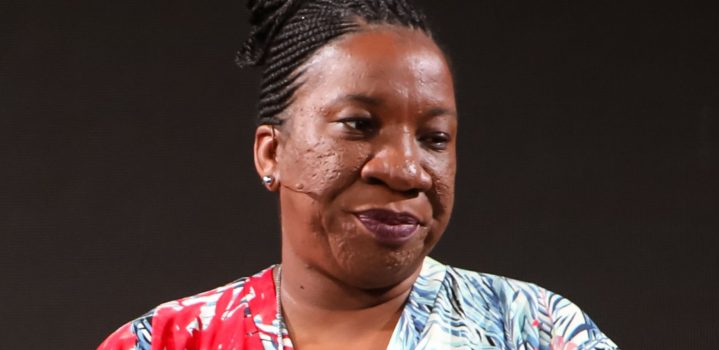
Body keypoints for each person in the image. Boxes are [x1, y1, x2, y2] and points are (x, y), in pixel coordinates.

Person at [99, 0, 618, 349]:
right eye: (359, 125)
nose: (406, 170)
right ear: (270, 153)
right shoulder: (169, 340)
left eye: (434, 138)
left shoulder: (536, 331)